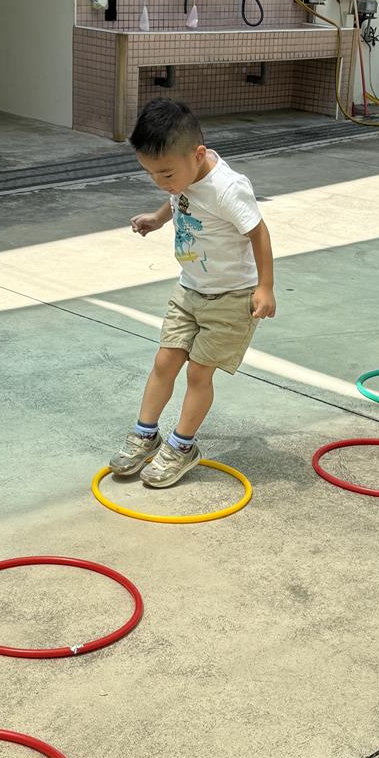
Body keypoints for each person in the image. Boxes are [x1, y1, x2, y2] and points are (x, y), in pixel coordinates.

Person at [108, 99, 276, 488]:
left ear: (198, 155)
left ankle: (182, 446)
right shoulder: (182, 177)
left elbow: (258, 232)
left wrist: (265, 286)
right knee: (165, 361)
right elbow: (178, 197)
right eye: (150, 174)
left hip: (232, 296)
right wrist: (157, 217)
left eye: (165, 173)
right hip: (190, 289)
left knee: (199, 372)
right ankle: (145, 435)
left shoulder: (227, 188)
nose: (160, 181)